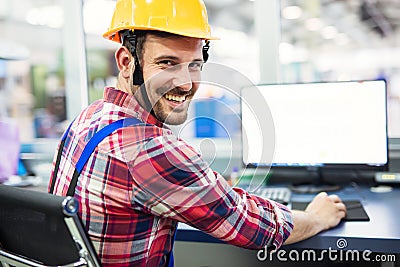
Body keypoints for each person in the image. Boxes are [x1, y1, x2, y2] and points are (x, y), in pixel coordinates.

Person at [49, 0, 346, 266]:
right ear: (127, 63)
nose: (186, 83)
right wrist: (317, 217)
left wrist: (205, 184)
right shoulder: (150, 150)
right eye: (167, 63)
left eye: (194, 65)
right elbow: (252, 227)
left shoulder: (88, 118)